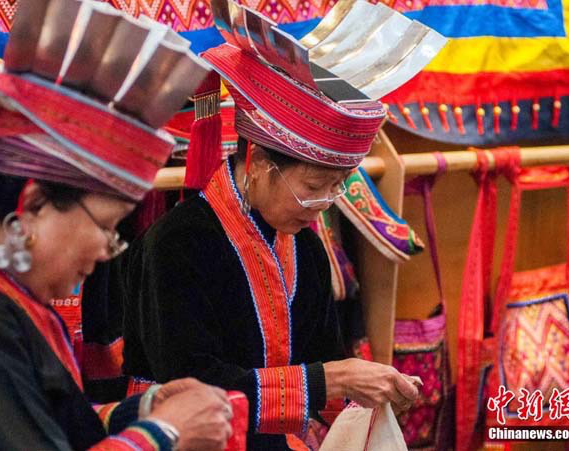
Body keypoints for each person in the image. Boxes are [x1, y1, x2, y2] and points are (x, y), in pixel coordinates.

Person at [119, 1, 440, 448]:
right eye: (313, 186)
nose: (322, 205)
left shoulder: (306, 248)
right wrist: (332, 379)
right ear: (257, 162)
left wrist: (370, 390)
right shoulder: (175, 244)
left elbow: (323, 364)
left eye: (337, 187)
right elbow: (190, 388)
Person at [0, 0, 233, 449]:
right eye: (106, 226)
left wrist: (141, 410)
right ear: (34, 204)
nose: (106, 250)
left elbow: (44, 420)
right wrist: (164, 433)